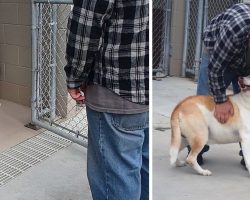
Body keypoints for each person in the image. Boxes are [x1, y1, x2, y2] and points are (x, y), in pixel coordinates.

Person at [64, 0, 149, 200]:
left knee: (116, 175)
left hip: (114, 91)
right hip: (145, 92)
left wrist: (75, 76)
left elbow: (85, 26)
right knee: (141, 169)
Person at [193, 3, 250, 166]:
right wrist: (220, 101)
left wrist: (245, 77)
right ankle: (197, 149)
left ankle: (247, 153)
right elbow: (215, 68)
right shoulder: (234, 31)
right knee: (205, 102)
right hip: (217, 50)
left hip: (243, 58)